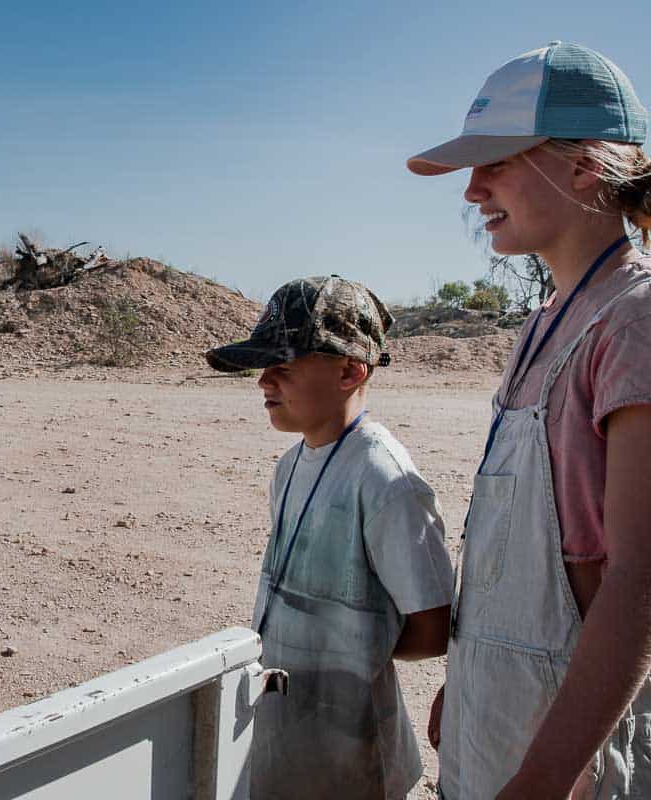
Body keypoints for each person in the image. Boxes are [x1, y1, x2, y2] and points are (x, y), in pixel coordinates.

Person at [409, 41, 651, 798]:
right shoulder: (546, 321)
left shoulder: (632, 322)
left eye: (498, 161)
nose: (473, 189)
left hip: (564, 764)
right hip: (500, 727)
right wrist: (469, 678)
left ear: (586, 166)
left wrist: (548, 773)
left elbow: (638, 580)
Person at [205, 276, 454, 800]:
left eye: (283, 366)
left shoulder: (384, 478)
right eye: (262, 367)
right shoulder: (290, 464)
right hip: (288, 738)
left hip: (354, 760)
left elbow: (432, 630)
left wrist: (347, 653)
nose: (263, 382)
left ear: (349, 370)